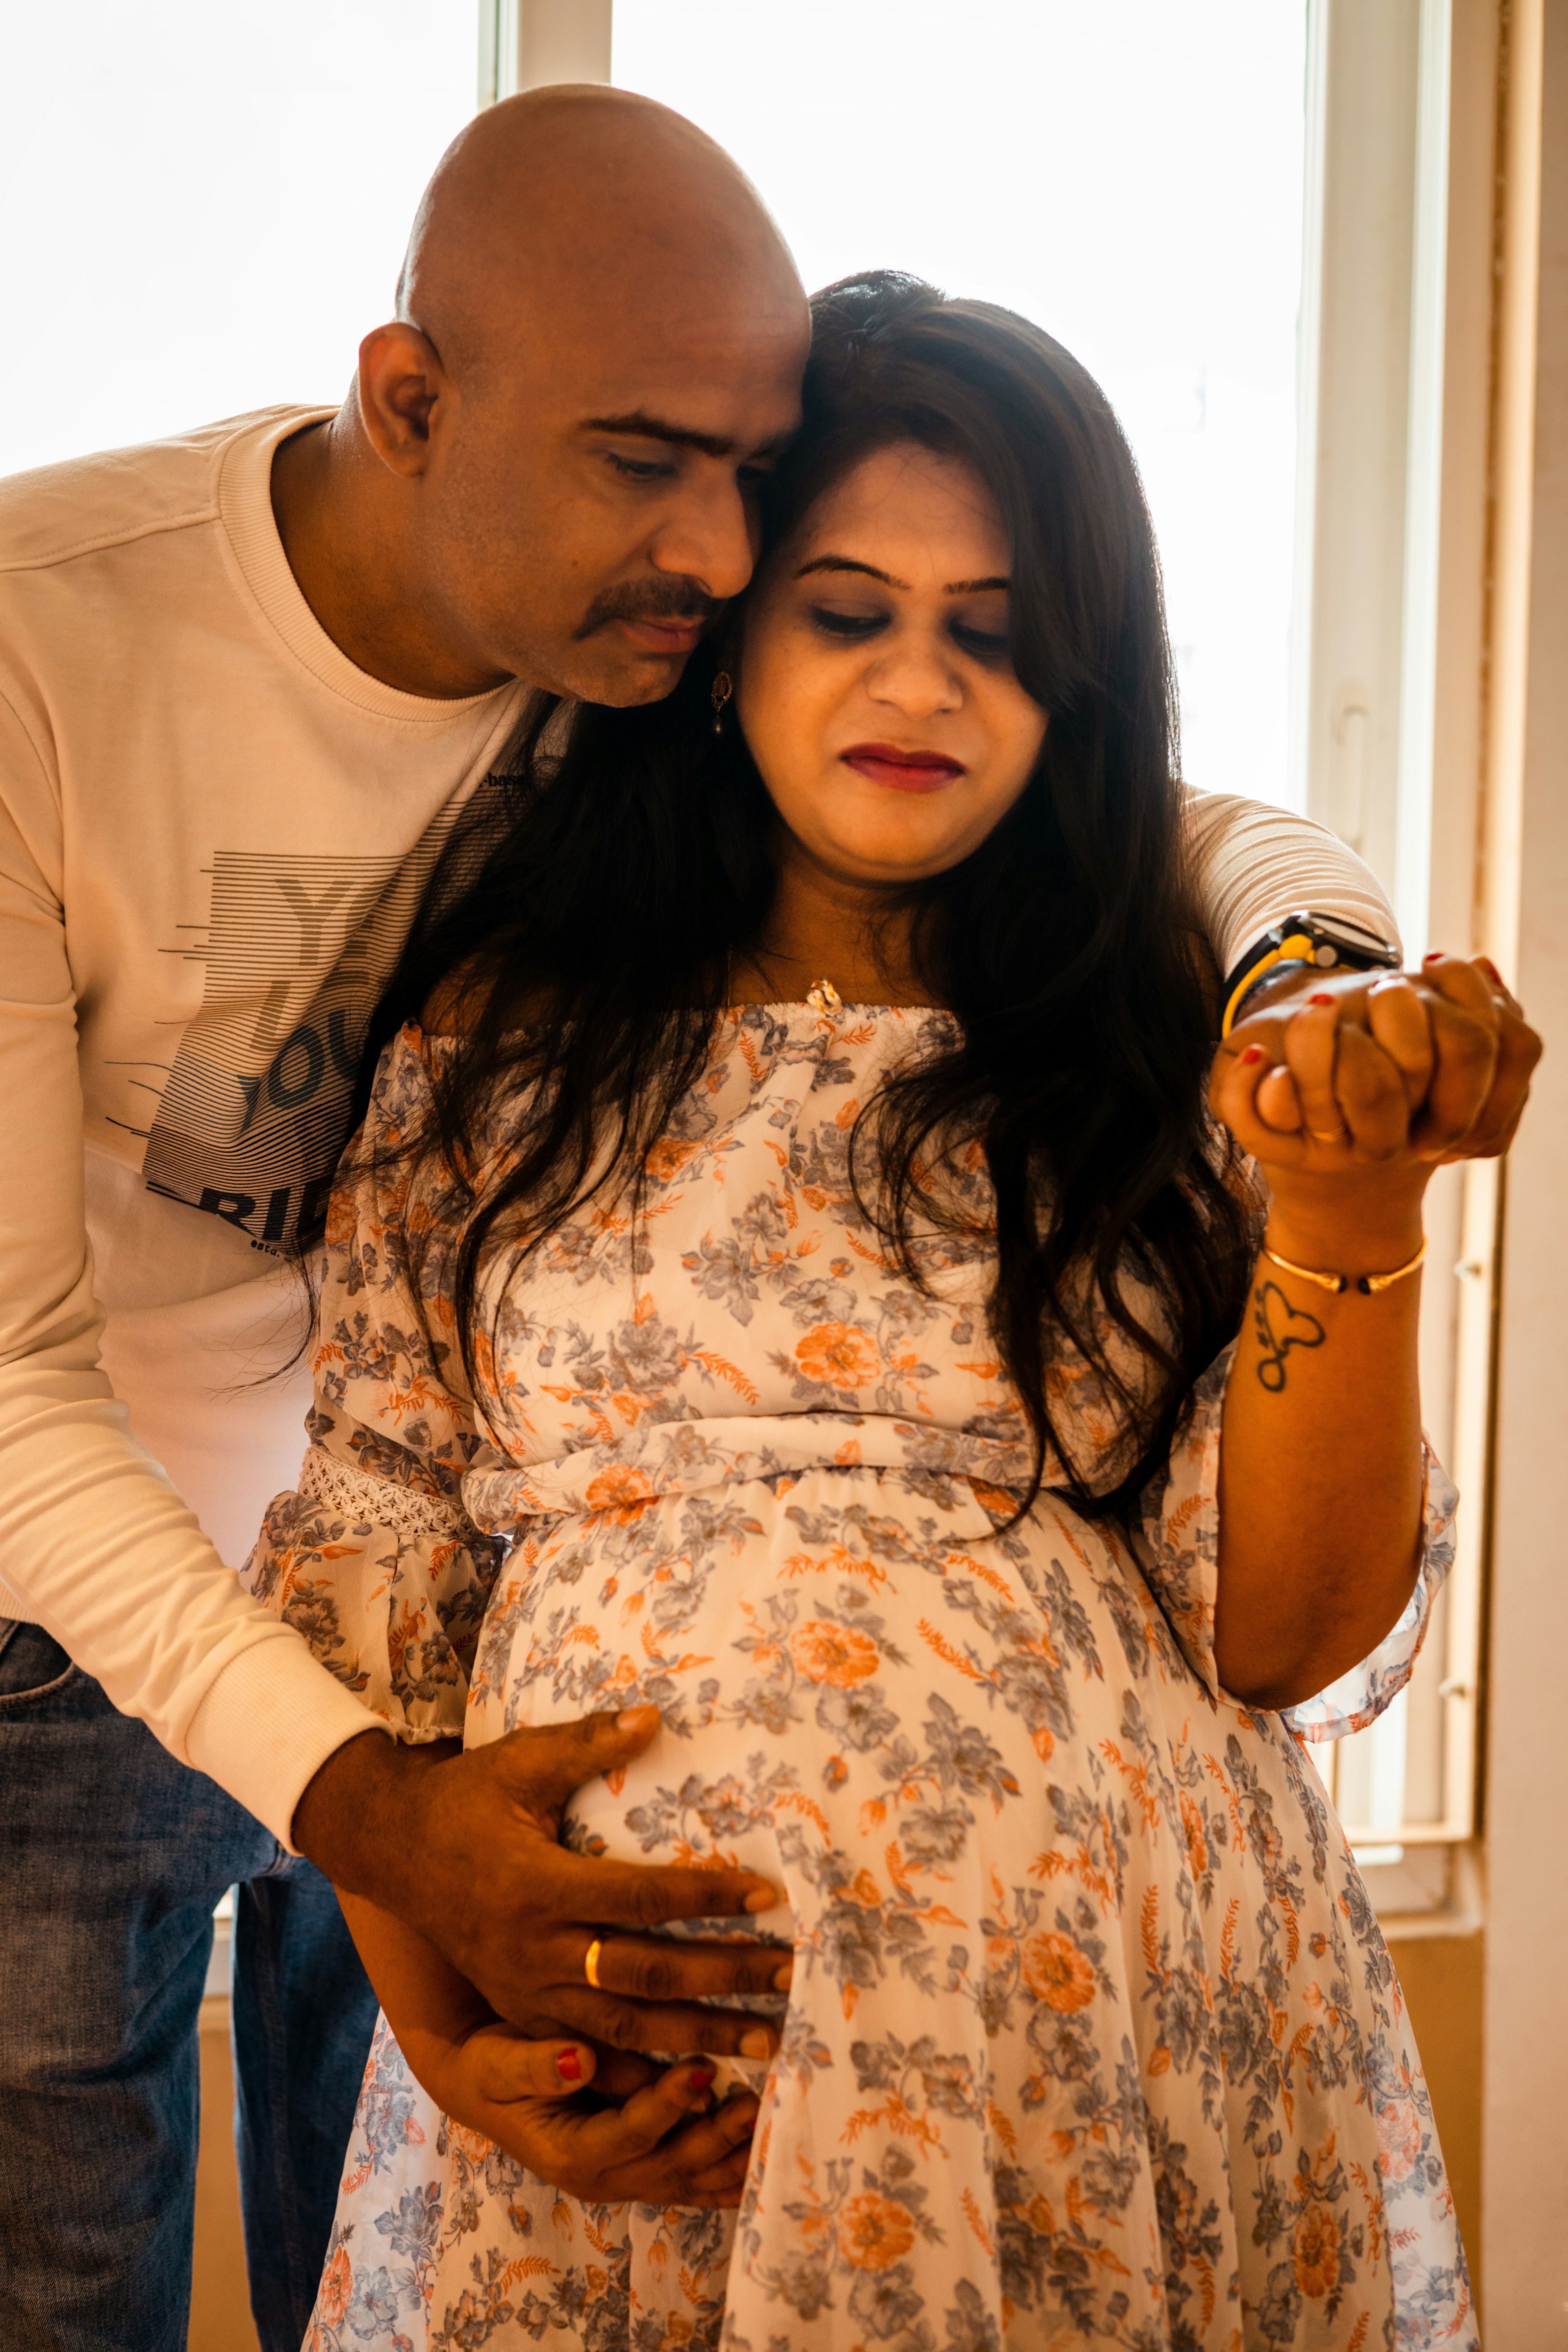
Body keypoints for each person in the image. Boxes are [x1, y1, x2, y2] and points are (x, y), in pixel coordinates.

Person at [0, 83, 1521, 2350]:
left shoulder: (1115, 1018)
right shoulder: (127, 709)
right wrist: (417, 1934)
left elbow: (1180, 822)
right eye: (831, 598)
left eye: (992, 630)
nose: (717, 557)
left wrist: (1326, 1045)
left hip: (1079, 2067)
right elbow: (206, 1475)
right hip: (114, 1598)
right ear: (412, 403)